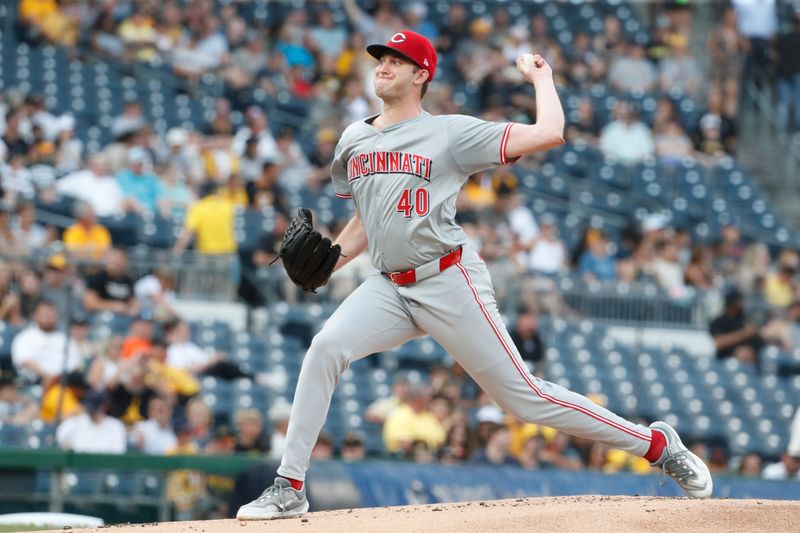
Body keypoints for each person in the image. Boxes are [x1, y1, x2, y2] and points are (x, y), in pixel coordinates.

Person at [236, 31, 712, 521]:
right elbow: (365, 220)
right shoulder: (354, 139)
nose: (383, 65)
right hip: (388, 286)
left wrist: (541, 78)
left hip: (448, 278)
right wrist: (330, 261)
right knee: (324, 348)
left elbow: (549, 131)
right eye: (381, 58)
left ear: (421, 74)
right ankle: (289, 485)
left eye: (396, 60)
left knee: (525, 399)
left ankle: (656, 445)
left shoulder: (449, 133)